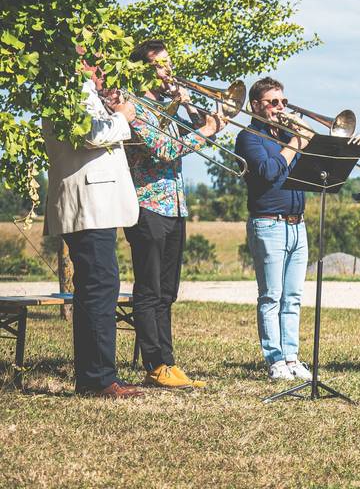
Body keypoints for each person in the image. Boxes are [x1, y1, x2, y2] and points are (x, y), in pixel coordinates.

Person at [124, 40, 225, 388]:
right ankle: (154, 364)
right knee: (149, 290)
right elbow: (166, 150)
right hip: (148, 206)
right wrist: (206, 131)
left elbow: (194, 136)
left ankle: (167, 361)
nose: (168, 70)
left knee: (168, 292)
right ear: (142, 70)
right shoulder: (135, 108)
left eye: (168, 62)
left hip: (175, 205)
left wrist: (201, 117)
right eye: (160, 64)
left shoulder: (167, 108)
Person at [42, 56, 144, 398]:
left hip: (97, 204)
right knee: (100, 287)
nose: (103, 69)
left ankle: (94, 376)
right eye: (95, 61)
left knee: (96, 288)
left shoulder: (84, 93)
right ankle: (99, 378)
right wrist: (122, 115)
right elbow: (90, 136)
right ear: (78, 62)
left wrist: (108, 106)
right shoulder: (69, 92)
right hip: (88, 204)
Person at [234, 77, 313, 381]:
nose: (281, 108)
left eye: (284, 102)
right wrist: (294, 144)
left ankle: (292, 357)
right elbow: (267, 172)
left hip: (297, 224)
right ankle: (275, 360)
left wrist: (304, 143)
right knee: (272, 296)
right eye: (273, 102)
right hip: (268, 223)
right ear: (256, 106)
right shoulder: (249, 137)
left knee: (293, 296)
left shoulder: (287, 135)